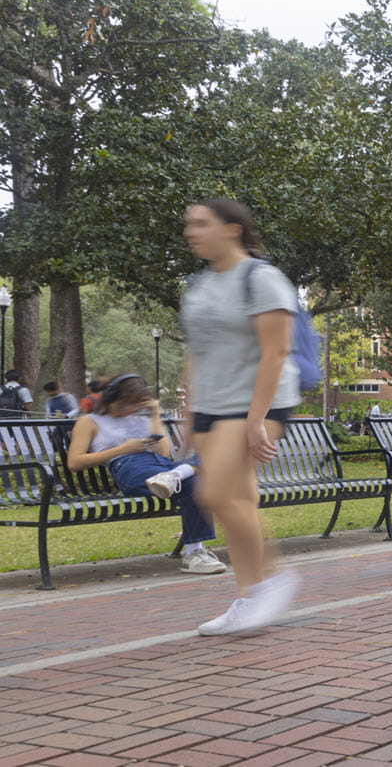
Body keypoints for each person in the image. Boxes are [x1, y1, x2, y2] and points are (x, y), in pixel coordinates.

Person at [181, 198, 302, 634]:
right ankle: (250, 594)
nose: (191, 231)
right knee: (237, 500)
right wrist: (189, 410)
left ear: (232, 229)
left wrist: (256, 419)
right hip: (212, 404)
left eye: (200, 224)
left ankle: (272, 580)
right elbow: (196, 351)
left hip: (255, 400)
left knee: (214, 494)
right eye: (188, 224)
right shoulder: (198, 285)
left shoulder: (262, 278)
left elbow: (277, 351)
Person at [65, 373, 225, 575]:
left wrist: (154, 415)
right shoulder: (90, 421)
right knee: (194, 481)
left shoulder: (142, 418)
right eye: (130, 403)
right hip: (129, 467)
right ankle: (194, 551)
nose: (135, 408)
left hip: (161, 465)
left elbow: (164, 452)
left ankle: (176, 479)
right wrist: (123, 449)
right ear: (113, 398)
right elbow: (74, 462)